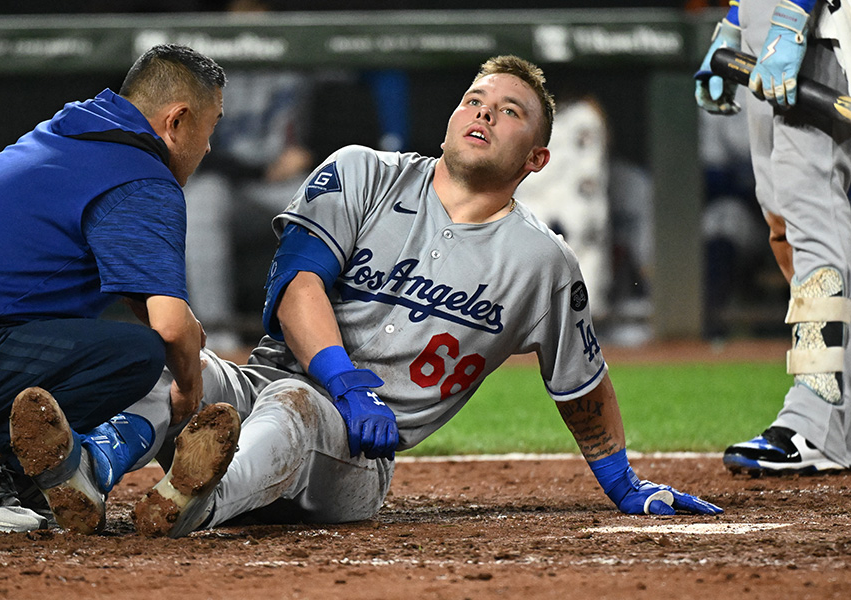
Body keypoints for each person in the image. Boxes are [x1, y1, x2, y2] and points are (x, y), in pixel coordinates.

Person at [126, 55, 722, 539]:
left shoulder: (543, 264)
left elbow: (581, 384)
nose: (483, 115)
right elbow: (297, 285)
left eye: (508, 112)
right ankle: (75, 472)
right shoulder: (361, 172)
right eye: (474, 102)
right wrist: (344, 381)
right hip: (260, 390)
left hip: (357, 458)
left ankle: (189, 504)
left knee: (294, 406)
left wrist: (622, 483)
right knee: (150, 355)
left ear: (537, 158)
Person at [0, 43, 236, 536]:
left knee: (101, 339)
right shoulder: (140, 176)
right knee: (135, 355)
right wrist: (189, 389)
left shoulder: (73, 134)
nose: (209, 147)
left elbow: (142, 297)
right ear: (178, 121)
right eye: (210, 128)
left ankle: (31, 471)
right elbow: (168, 325)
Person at [695, 0, 851, 473]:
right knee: (783, 223)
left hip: (818, 33)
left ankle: (818, 418)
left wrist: (794, 12)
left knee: (813, 218)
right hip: (771, 37)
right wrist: (738, 23)